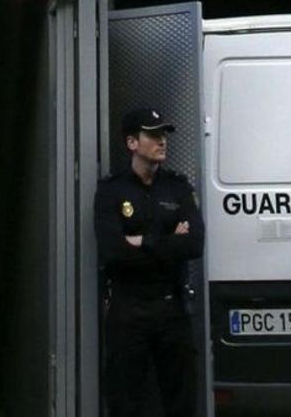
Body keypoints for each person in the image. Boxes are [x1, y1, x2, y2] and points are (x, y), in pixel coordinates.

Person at [94, 108, 204, 417]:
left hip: (172, 310)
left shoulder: (178, 187)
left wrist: (142, 240)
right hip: (128, 312)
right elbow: (113, 251)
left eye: (164, 134)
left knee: (181, 402)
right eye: (153, 135)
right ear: (132, 143)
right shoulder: (111, 191)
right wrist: (170, 241)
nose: (162, 141)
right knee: (125, 403)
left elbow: (195, 244)